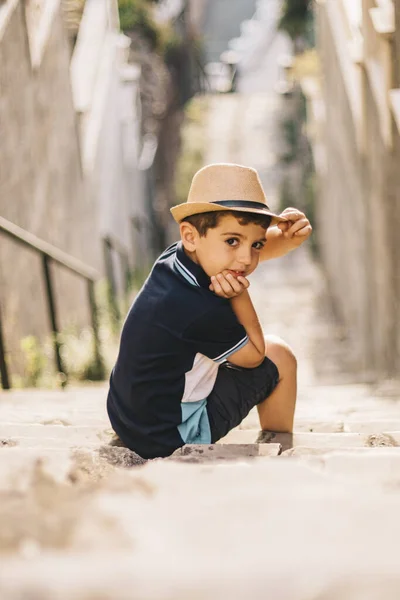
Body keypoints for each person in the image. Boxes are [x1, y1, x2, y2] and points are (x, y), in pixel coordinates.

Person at [107, 163, 312, 459]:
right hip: (167, 435)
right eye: (232, 241)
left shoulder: (177, 259)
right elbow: (255, 356)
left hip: (127, 417)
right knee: (279, 355)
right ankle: (279, 445)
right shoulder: (199, 308)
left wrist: (289, 239)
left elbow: (239, 255)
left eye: (256, 244)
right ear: (191, 236)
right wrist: (240, 294)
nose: (246, 258)